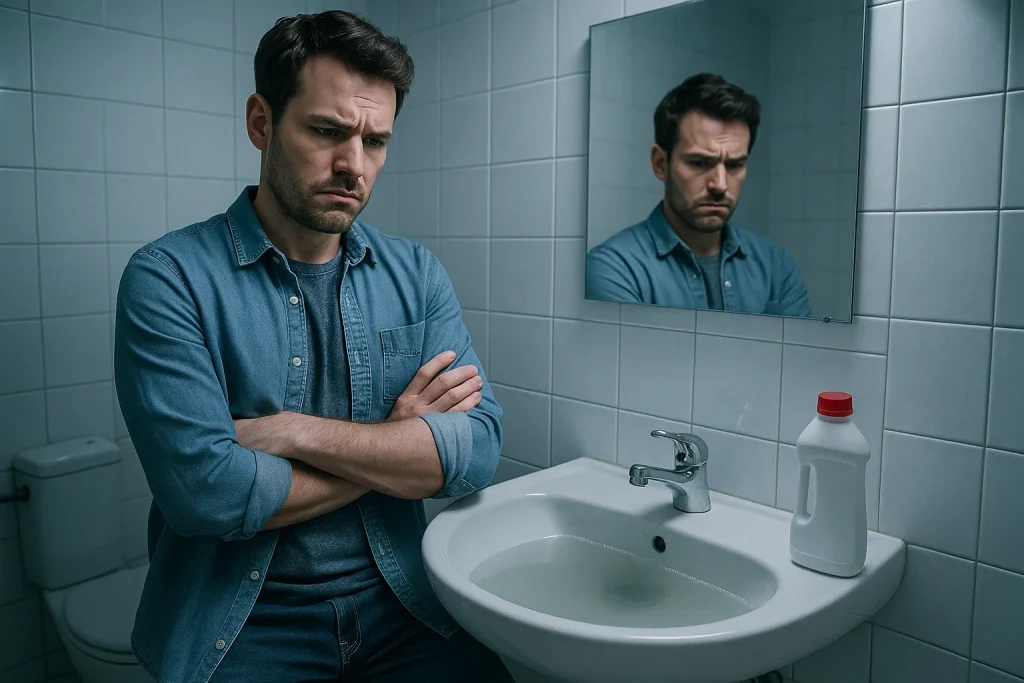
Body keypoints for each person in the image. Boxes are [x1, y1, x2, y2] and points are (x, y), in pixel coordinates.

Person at [113, 10, 513, 683]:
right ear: (262, 122)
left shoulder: (415, 275)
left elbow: (478, 452)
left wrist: (293, 431)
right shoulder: (167, 278)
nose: (353, 165)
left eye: (376, 140)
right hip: (243, 624)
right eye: (327, 131)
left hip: (403, 603)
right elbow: (207, 495)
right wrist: (394, 441)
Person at [586, 73, 812, 317]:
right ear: (660, 164)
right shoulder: (615, 268)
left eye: (734, 165)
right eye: (699, 162)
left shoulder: (775, 266)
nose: (720, 185)